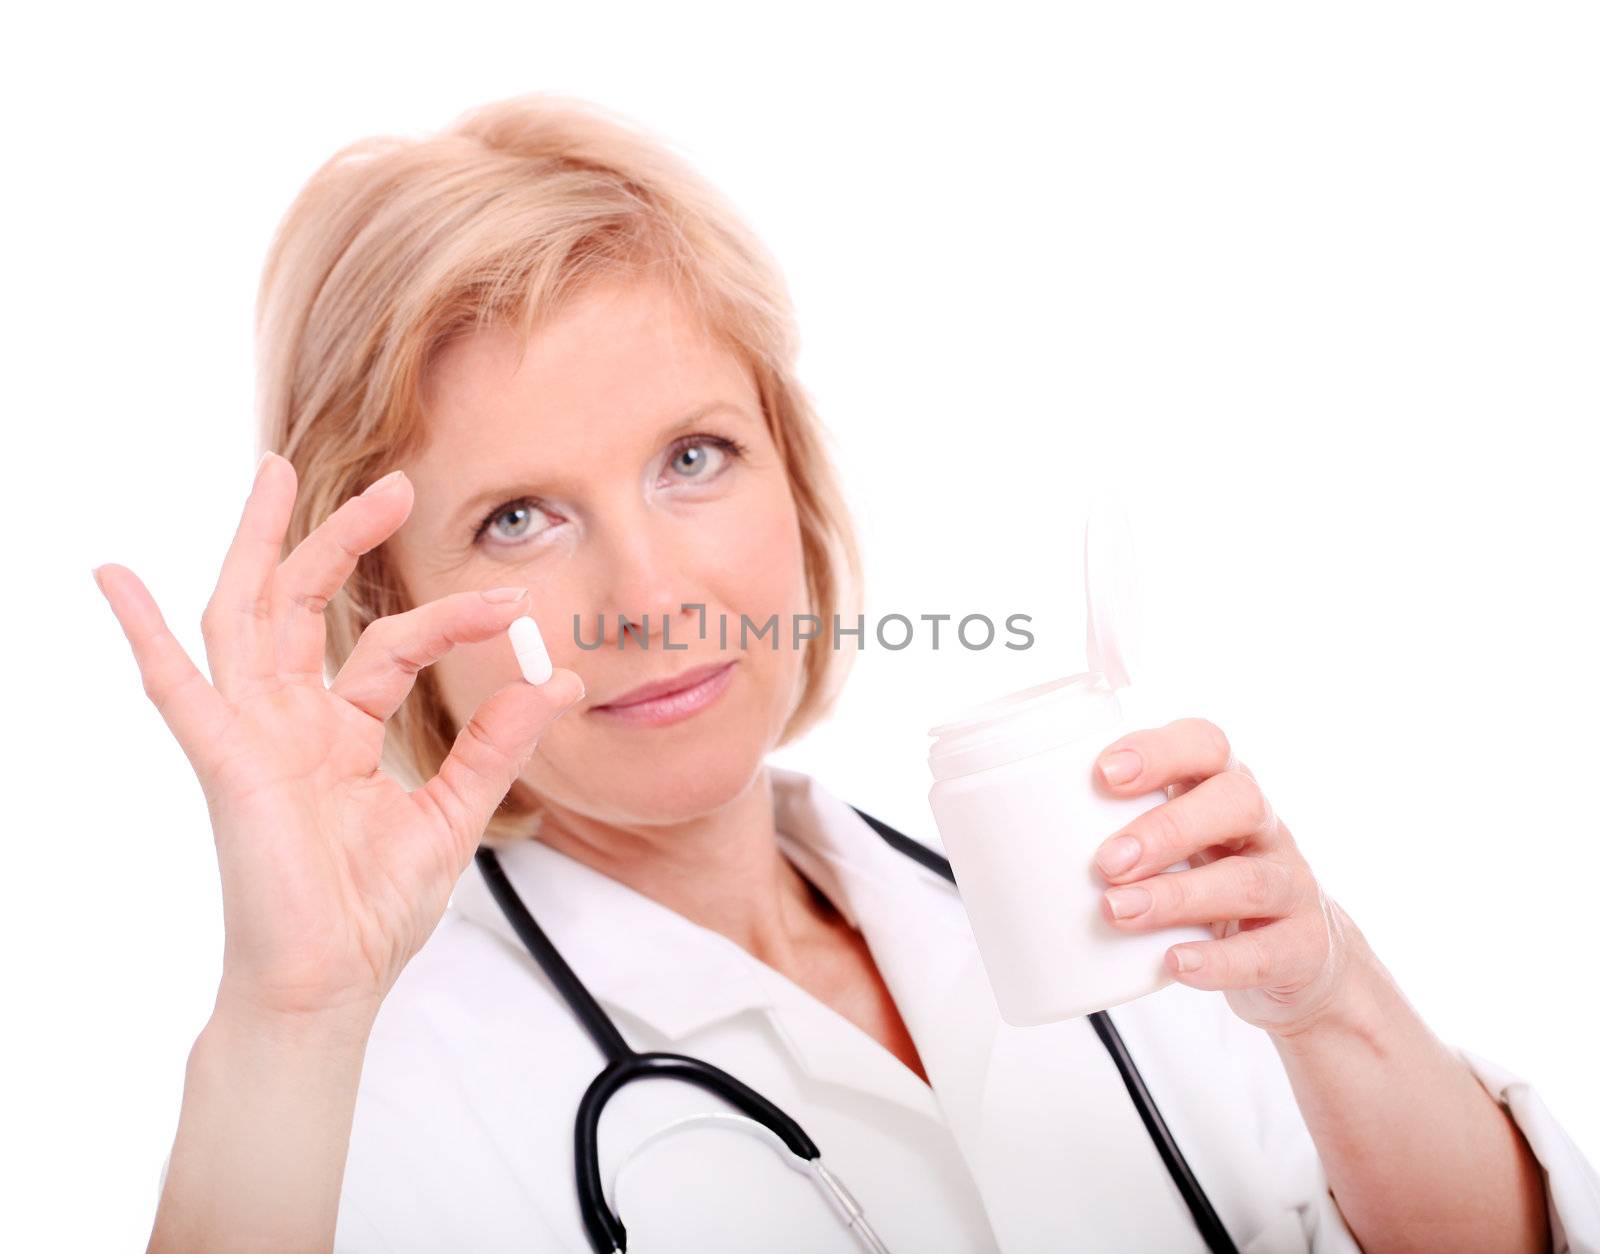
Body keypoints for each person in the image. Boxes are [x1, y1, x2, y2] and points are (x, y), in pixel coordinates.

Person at [94, 93, 1599, 1254]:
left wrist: (1325, 992)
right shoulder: (350, 1088)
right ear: (393, 598)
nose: (652, 593)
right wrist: (287, 1018)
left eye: (693, 457)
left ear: (793, 479)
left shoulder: (1073, 894)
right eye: (520, 516)